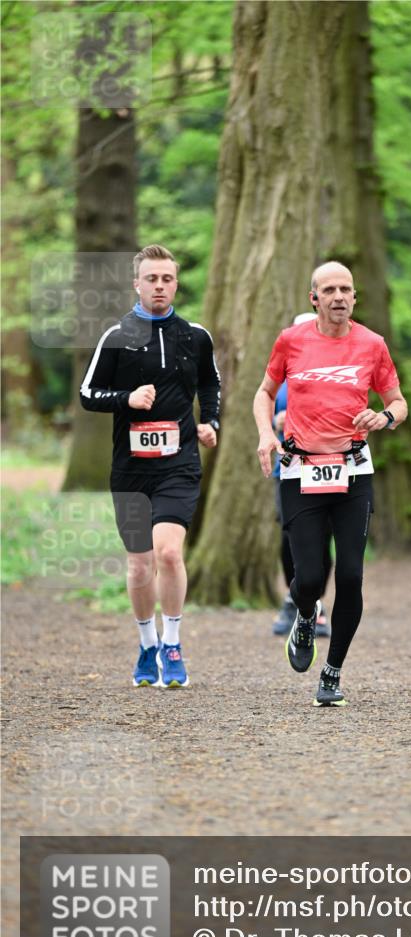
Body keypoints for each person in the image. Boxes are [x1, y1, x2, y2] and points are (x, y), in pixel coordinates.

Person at [253, 261, 408, 705]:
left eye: (346, 289)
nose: (339, 296)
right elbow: (264, 392)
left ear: (355, 297)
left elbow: (397, 403)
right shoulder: (291, 341)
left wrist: (383, 417)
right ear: (314, 298)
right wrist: (267, 434)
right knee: (309, 578)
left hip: (353, 470)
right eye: (330, 290)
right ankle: (305, 615)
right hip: (301, 469)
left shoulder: (372, 345)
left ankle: (333, 673)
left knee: (353, 575)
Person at [80, 244, 221, 686]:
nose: (159, 286)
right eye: (151, 279)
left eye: (167, 279)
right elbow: (88, 393)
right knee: (140, 565)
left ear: (176, 283)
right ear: (137, 284)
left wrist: (209, 421)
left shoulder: (195, 336)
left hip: (179, 464)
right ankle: (146, 646)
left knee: (169, 552)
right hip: (131, 469)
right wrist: (127, 399)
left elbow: (210, 384)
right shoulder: (116, 335)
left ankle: (173, 642)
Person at [271, 323, 333, 638]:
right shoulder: (281, 375)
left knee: (322, 537)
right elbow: (264, 407)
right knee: (289, 535)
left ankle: (317, 604)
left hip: (326, 466)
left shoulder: (334, 373)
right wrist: (275, 421)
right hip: (289, 469)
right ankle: (292, 598)